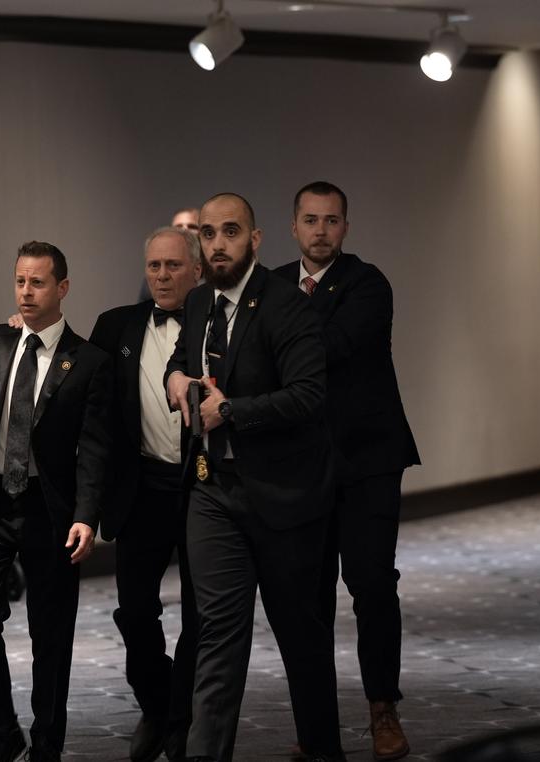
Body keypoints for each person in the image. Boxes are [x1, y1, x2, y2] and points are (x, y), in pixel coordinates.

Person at [164, 193, 342, 762]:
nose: (218, 244)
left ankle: (322, 749)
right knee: (216, 634)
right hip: (213, 489)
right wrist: (173, 378)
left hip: (285, 497)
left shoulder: (287, 305)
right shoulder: (197, 304)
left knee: (300, 637)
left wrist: (232, 411)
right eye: (210, 234)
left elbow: (310, 397)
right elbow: (182, 358)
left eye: (231, 233)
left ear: (256, 239)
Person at [0, 241, 113, 762]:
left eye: (38, 282)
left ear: (62, 288)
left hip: (49, 508)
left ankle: (47, 742)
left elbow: (94, 448)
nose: (26, 291)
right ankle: (1, 728)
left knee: (51, 634)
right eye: (20, 281)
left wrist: (86, 515)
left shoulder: (88, 362)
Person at [273, 181, 420, 761]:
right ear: (293, 226)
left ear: (345, 228)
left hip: (368, 461)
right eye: (310, 220)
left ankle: (383, 709)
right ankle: (318, 729)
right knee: (308, 598)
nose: (320, 231)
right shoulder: (275, 285)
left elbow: (329, 346)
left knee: (372, 586)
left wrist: (271, 341)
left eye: (331, 221)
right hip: (300, 469)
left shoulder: (367, 283)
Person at [89, 227, 202, 761]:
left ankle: (180, 720)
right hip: (143, 488)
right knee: (135, 611)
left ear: (196, 272)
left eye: (173, 266)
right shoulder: (117, 326)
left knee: (203, 616)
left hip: (204, 487)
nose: (162, 276)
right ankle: (156, 705)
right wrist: (26, 329)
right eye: (154, 266)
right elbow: (77, 377)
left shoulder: (216, 325)